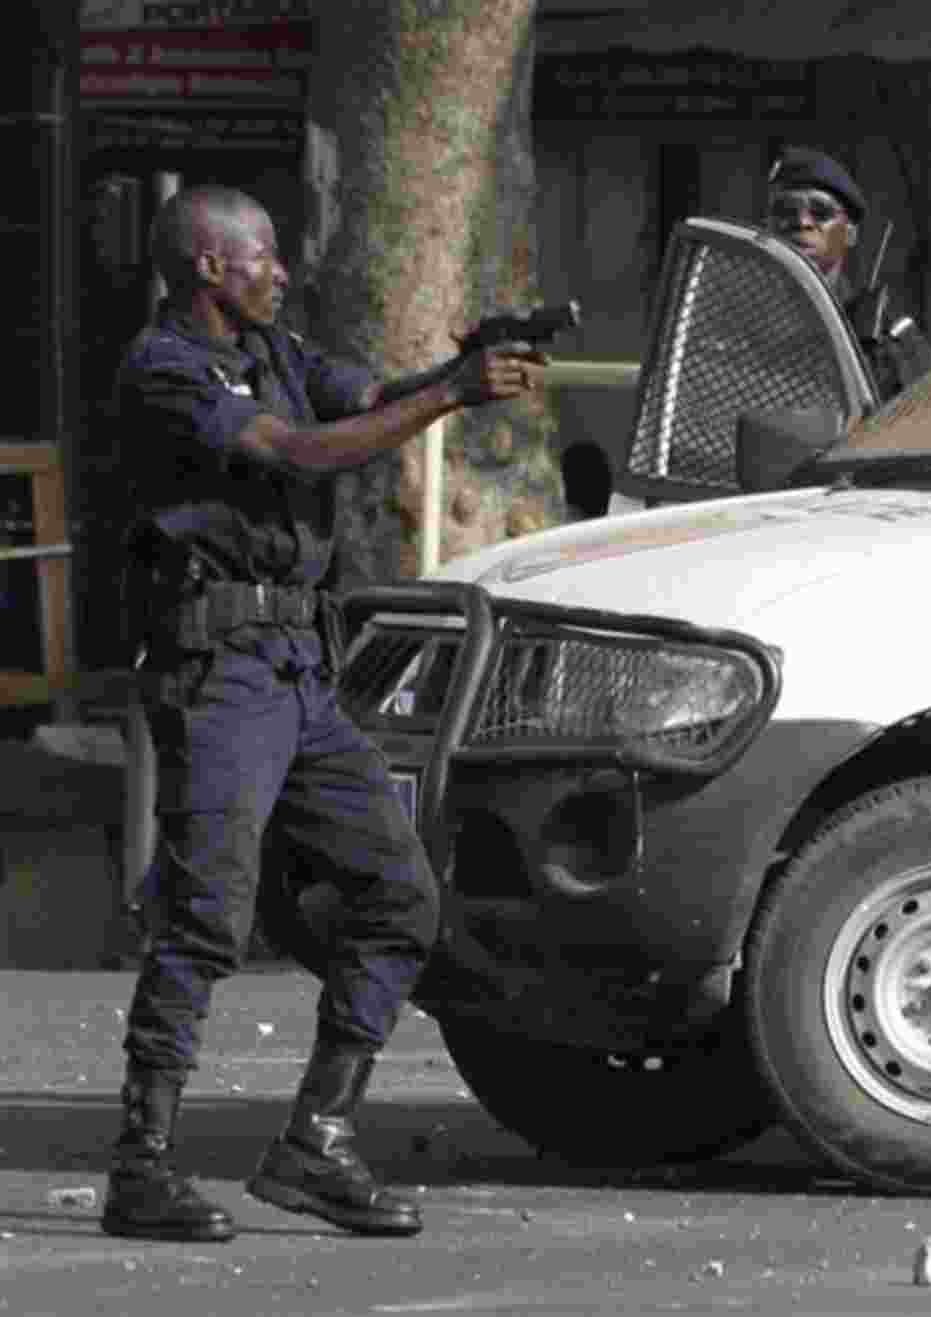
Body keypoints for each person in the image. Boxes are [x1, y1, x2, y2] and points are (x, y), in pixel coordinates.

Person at [100, 184, 547, 1244]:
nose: (281, 273)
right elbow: (301, 452)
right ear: (211, 267)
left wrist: (462, 369)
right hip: (219, 674)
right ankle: (141, 1169)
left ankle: (318, 1145)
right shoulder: (162, 368)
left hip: (300, 670)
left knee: (399, 898)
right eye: (262, 260)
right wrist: (447, 397)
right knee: (206, 918)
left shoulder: (284, 353)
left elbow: (368, 397)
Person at [764, 145, 931, 401]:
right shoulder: (731, 319)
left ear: (850, 233)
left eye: (821, 212)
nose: (802, 222)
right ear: (767, 225)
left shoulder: (888, 338)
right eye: (785, 211)